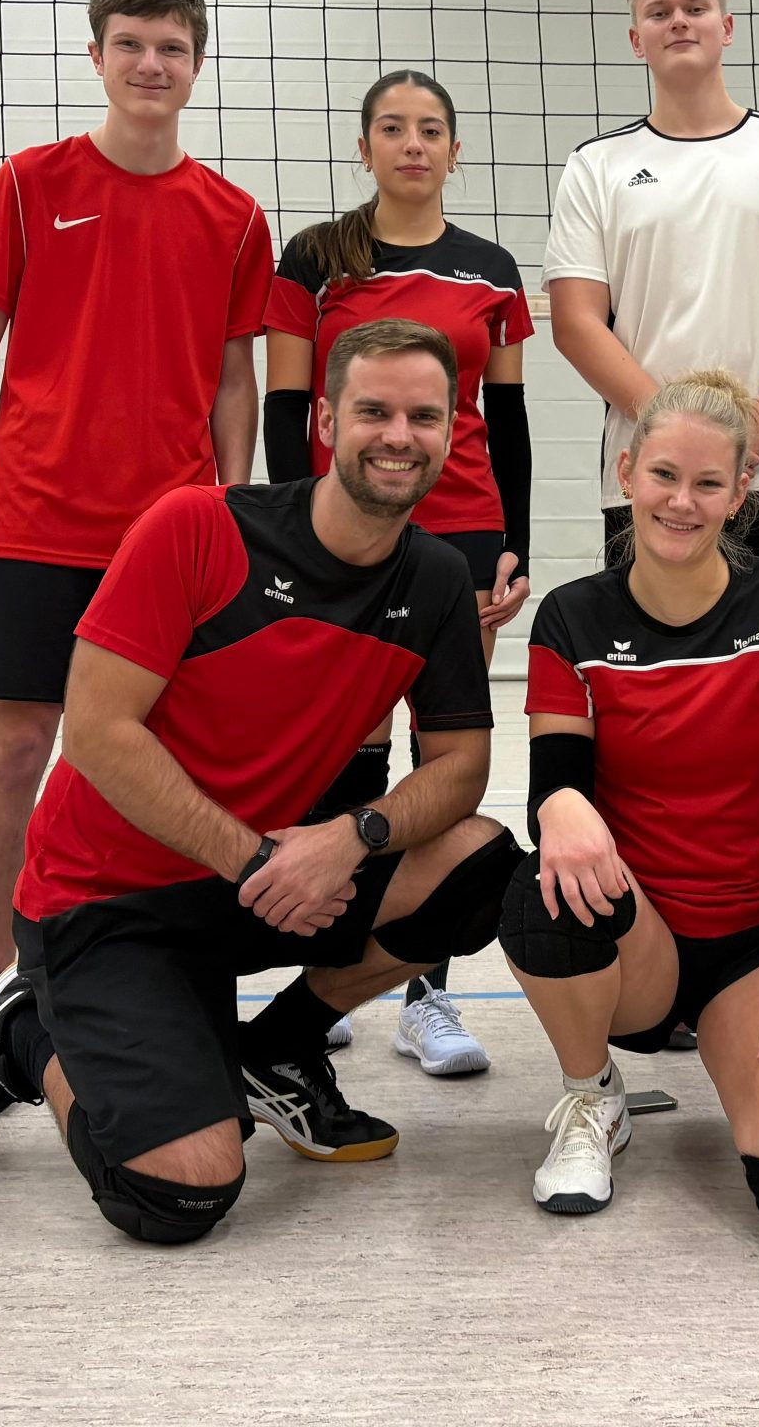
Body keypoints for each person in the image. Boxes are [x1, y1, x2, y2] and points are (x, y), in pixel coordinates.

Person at [0, 320, 522, 1246]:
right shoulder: (199, 526)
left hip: (256, 883)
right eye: (374, 412)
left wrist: (350, 838)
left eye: (424, 417)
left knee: (482, 866)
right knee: (180, 1196)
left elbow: (463, 767)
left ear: (449, 433)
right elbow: (98, 732)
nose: (399, 436)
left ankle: (274, 1052)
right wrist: (256, 859)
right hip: (107, 899)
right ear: (325, 422)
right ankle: (22, 1039)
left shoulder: (433, 579)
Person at [0, 0, 271, 1027]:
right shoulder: (28, 184)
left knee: (163, 769)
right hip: (36, 521)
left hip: (168, 537)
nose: (150, 64)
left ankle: (154, 986)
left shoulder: (233, 216)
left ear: (197, 65)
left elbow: (234, 375)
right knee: (14, 748)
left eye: (171, 48)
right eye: (130, 44)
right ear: (96, 55)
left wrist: (235, 505)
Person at [495, 371, 759, 1235]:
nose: (681, 501)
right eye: (664, 475)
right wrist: (556, 804)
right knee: (535, 890)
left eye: (708, 483)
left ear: (741, 492)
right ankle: (593, 1092)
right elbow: (555, 779)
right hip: (640, 942)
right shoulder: (571, 619)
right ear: (626, 472)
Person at [264, 69, 532, 1079]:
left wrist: (515, 541)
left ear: (454, 150)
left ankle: (425, 993)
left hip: (460, 531)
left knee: (444, 750)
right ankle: (326, 963)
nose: (412, 144)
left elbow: (506, 419)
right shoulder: (315, 258)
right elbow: (286, 404)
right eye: (392, 128)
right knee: (345, 741)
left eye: (429, 130)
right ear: (365, 146)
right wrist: (292, 535)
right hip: (342, 533)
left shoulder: (490, 270)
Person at [544, 0, 759, 632]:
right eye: (660, 13)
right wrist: (674, 439)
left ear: (727, 26)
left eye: (695, 7)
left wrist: (753, 429)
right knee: (652, 676)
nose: (679, 22)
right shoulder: (596, 166)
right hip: (651, 480)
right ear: (637, 39)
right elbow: (575, 322)